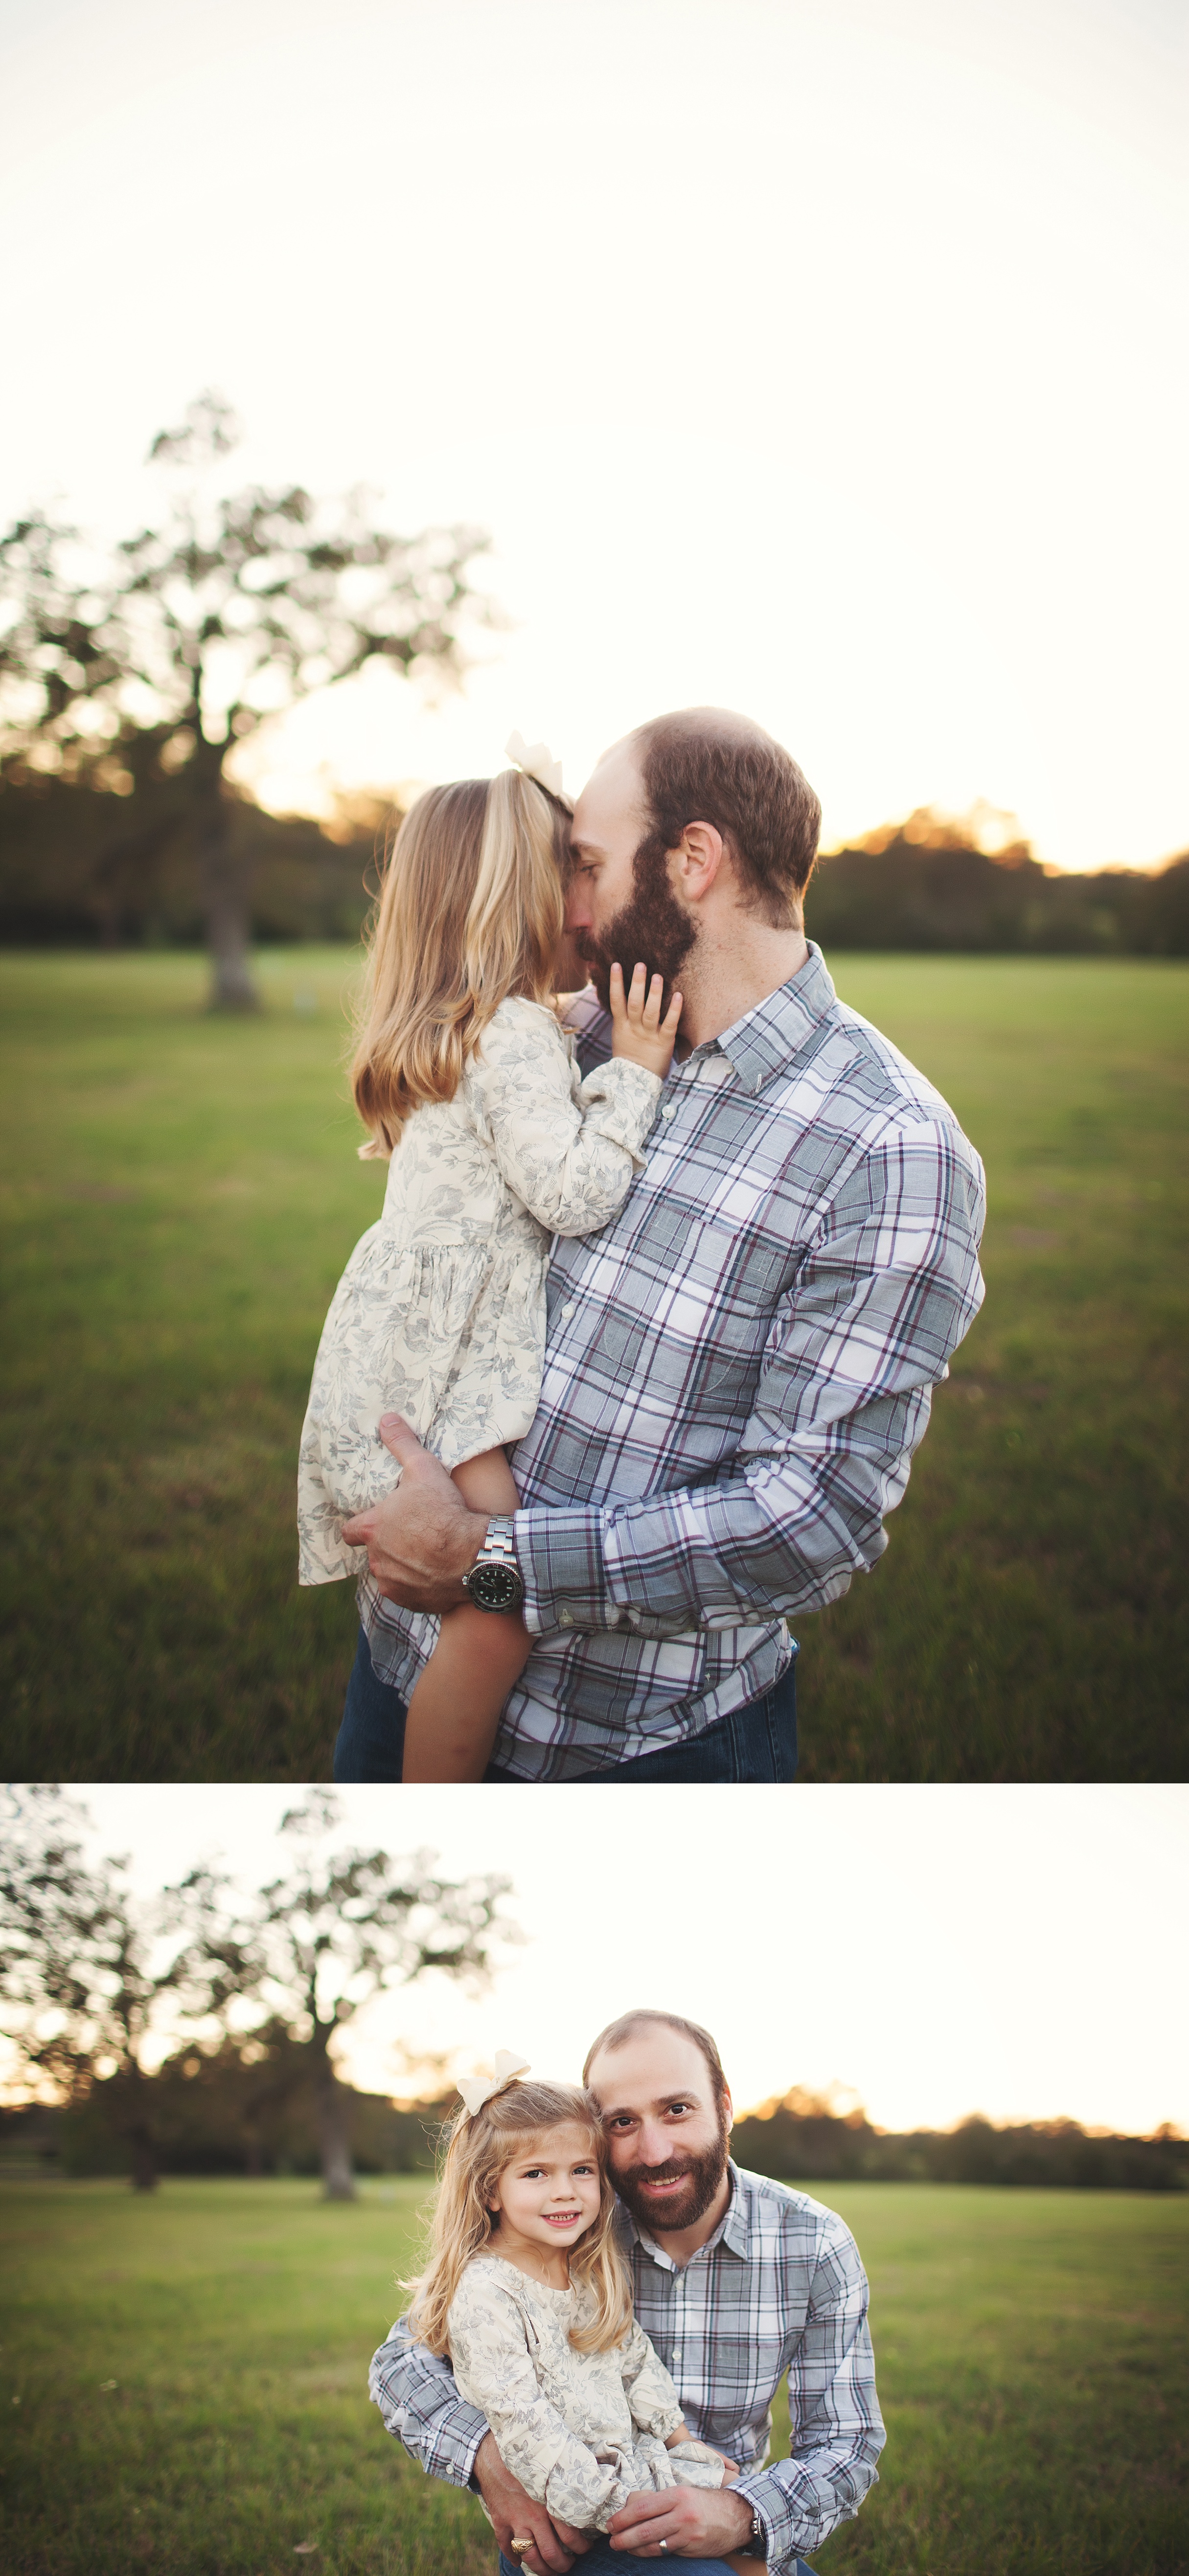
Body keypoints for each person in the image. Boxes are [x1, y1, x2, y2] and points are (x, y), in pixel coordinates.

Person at [336, 707, 987, 1781]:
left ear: (692, 861)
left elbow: (809, 1519)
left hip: (641, 1748)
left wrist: (490, 1564)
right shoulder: (566, 1031)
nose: (570, 910)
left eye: (585, 864)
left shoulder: (891, 1147)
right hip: (400, 1670)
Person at [297, 746, 680, 1779]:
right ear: (523, 898)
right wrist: (635, 1074)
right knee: (499, 1608)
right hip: (447, 1358)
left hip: (412, 1342)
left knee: (479, 1592)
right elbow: (571, 1192)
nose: (591, 896)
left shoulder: (470, 1022)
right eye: (575, 870)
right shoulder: (514, 1033)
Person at [371, 2009, 883, 2576]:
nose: (656, 2151)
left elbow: (846, 2443)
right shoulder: (565, 2231)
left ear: (726, 2106)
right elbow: (401, 2363)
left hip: (718, 2507)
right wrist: (492, 2461)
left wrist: (742, 2515)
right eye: (622, 2123)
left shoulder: (812, 2242)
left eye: (677, 2110)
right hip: (584, 2524)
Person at [403, 2062, 743, 2576]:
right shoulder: (486, 2294)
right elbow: (526, 2426)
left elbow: (634, 2361)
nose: (565, 2191)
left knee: (768, 2561)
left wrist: (681, 2440)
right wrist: (622, 2507)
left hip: (633, 2483)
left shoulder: (583, 2269)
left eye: (581, 2170)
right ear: (490, 2191)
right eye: (537, 2173)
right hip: (577, 2528)